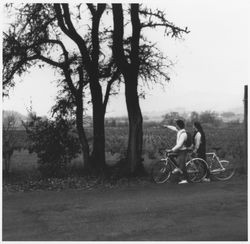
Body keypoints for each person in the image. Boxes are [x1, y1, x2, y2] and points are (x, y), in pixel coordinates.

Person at [164, 119, 189, 184]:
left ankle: (184, 179)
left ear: (178, 125)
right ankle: (177, 168)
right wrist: (167, 126)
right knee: (170, 156)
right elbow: (173, 128)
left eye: (176, 125)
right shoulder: (179, 131)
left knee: (182, 165)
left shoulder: (183, 134)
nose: (175, 126)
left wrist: (171, 150)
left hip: (182, 151)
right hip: (178, 150)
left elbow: (179, 145)